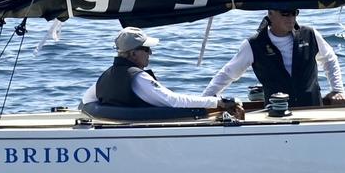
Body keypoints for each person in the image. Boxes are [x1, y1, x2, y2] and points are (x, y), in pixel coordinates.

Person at [82, 28, 241, 118]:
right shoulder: (138, 78)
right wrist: (218, 102)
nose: (150, 53)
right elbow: (174, 101)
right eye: (146, 49)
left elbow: (87, 101)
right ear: (132, 54)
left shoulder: (106, 75)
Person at [202, 7, 345, 106]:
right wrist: (205, 100)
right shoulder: (253, 44)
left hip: (312, 111)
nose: (291, 18)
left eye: (294, 13)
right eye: (285, 13)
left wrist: (338, 90)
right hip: (276, 117)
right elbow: (228, 74)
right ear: (270, 13)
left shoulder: (310, 34)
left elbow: (330, 59)